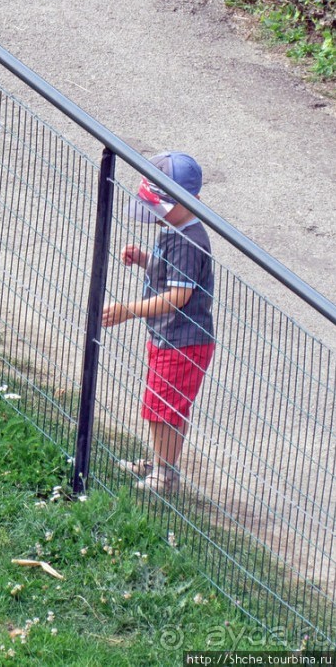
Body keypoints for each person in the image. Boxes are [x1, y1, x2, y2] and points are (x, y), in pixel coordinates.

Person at [102, 152, 215, 494]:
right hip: (168, 337)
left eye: (163, 207)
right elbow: (170, 273)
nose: (157, 215)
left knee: (163, 409)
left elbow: (178, 296)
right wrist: (144, 259)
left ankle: (165, 475)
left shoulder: (188, 241)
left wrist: (129, 310)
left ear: (191, 200)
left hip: (183, 342)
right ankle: (160, 463)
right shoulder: (173, 227)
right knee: (160, 405)